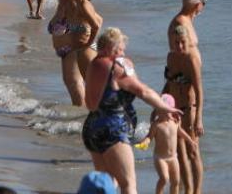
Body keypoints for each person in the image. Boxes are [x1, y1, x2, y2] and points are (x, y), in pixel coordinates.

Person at [82, 28, 181, 194]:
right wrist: (165, 107)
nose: (123, 53)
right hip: (113, 130)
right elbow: (143, 91)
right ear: (109, 48)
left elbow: (90, 103)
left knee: (106, 184)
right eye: (120, 49)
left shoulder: (94, 64)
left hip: (92, 128)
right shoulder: (115, 67)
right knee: (128, 184)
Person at [164, 25, 204, 194]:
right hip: (174, 110)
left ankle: (197, 191)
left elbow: (199, 90)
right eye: (176, 43)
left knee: (193, 151)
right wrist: (159, 104)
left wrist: (198, 119)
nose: (179, 46)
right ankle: (188, 190)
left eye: (182, 42)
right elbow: (169, 83)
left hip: (189, 110)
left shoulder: (191, 59)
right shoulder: (171, 57)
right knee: (180, 154)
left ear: (188, 41)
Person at [47, 0, 89, 106]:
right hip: (65, 50)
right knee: (70, 81)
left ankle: (81, 114)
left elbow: (87, 26)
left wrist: (70, 34)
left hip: (74, 48)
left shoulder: (75, 4)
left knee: (75, 81)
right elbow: (52, 27)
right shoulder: (62, 6)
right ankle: (79, 112)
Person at [143, 94, 195, 194]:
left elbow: (181, 132)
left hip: (173, 157)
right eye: (159, 110)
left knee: (176, 181)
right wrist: (145, 142)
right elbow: (149, 137)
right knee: (164, 178)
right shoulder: (156, 125)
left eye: (165, 110)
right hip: (160, 158)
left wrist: (190, 141)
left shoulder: (175, 122)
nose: (161, 112)